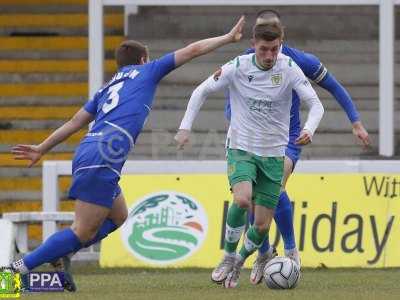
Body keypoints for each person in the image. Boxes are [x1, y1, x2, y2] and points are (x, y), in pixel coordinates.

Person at [10, 15, 245, 291]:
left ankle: (61, 254)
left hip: (90, 150)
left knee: (118, 216)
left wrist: (42, 148)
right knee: (81, 230)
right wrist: (228, 38)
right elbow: (192, 50)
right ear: (144, 59)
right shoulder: (148, 71)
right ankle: (14, 271)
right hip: (104, 156)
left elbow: (75, 122)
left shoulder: (106, 88)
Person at [224, 10, 370, 285]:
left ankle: (291, 251)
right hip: (250, 140)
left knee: (274, 186)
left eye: (272, 35)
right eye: (260, 34)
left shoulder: (300, 62)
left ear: (282, 35)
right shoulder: (244, 63)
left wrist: (356, 122)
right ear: (255, 37)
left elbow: (334, 87)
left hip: (287, 138)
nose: (266, 45)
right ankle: (264, 253)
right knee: (250, 197)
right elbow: (230, 102)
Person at [175, 20, 324, 288]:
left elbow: (316, 104)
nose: (269, 56)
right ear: (253, 45)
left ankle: (240, 261)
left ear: (280, 46)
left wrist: (309, 129)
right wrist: (185, 127)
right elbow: (201, 91)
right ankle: (228, 256)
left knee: (262, 225)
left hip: (274, 155)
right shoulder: (238, 67)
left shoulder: (289, 68)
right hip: (241, 148)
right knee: (242, 200)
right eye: (264, 49)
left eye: (275, 50)